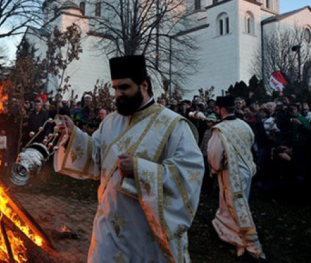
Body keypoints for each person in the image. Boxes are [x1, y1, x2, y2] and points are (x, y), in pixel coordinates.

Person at [55, 55, 204, 262]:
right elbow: (97, 156)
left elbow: (190, 174)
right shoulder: (110, 121)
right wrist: (74, 135)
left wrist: (140, 169)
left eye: (124, 87)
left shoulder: (173, 125)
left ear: (143, 85)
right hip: (108, 226)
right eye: (115, 88)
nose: (118, 94)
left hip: (146, 234)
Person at [207, 95, 266, 261]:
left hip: (230, 172)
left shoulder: (220, 130)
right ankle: (227, 225)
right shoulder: (244, 125)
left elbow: (215, 155)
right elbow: (250, 142)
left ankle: (235, 233)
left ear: (220, 109)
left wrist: (215, 168)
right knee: (241, 201)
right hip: (246, 170)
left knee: (231, 202)